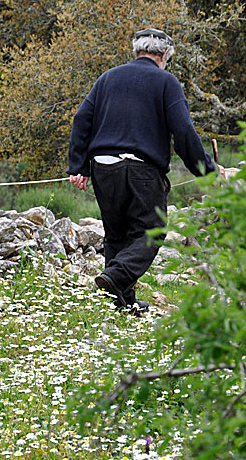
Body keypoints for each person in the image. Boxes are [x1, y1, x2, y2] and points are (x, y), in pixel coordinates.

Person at [67, 28, 225, 314]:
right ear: (165, 54)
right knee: (153, 231)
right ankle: (114, 279)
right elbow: (184, 133)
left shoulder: (108, 78)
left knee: (117, 234)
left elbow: (81, 120)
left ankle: (121, 302)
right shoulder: (166, 82)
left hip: (102, 168)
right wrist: (209, 171)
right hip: (140, 170)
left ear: (136, 51)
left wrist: (78, 166)